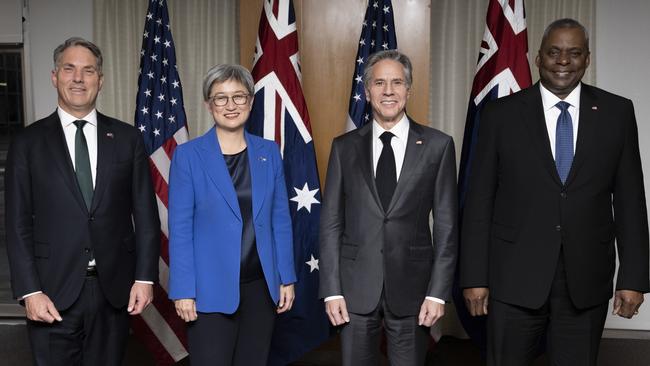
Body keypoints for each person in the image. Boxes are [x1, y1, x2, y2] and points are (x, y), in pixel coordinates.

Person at [460, 18, 649, 365]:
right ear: (539, 58)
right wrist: (473, 276)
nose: (563, 61)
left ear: (587, 59)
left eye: (574, 53)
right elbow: (478, 201)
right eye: (554, 52)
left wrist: (634, 278)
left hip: (585, 281)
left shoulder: (617, 112)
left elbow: (630, 201)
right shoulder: (500, 115)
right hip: (513, 278)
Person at [4, 37, 160, 365]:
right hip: (50, 291)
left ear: (100, 81)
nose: (78, 78)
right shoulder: (27, 143)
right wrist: (29, 290)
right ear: (54, 76)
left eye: (88, 71)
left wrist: (144, 278)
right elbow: (17, 224)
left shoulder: (128, 139)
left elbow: (146, 216)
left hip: (112, 291)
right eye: (69, 69)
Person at [319, 49, 458, 365]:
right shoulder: (344, 147)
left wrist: (437, 293)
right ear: (367, 91)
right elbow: (330, 224)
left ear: (408, 89)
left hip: (414, 289)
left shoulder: (438, 145)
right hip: (354, 290)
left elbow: (448, 226)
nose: (388, 91)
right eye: (379, 83)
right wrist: (331, 290)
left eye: (397, 82)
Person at [168, 64, 296, 366]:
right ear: (208, 105)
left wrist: (286, 277)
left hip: (261, 290)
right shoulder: (188, 157)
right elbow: (180, 229)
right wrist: (183, 290)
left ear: (250, 102)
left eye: (239, 97)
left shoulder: (269, 152)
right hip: (208, 292)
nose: (230, 105)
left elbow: (281, 220)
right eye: (221, 98)